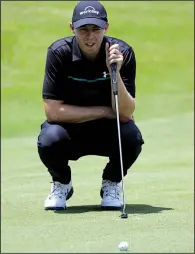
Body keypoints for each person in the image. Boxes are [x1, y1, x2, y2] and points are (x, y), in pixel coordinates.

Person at [37, 0, 144, 211]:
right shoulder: (59, 53)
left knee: (132, 137)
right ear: (71, 28)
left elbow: (125, 113)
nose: (90, 36)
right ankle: (62, 183)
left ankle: (112, 182)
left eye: (96, 29)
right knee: (48, 139)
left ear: (106, 27)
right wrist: (104, 111)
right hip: (69, 130)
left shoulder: (123, 53)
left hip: (107, 130)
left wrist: (115, 71)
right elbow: (52, 111)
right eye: (83, 29)